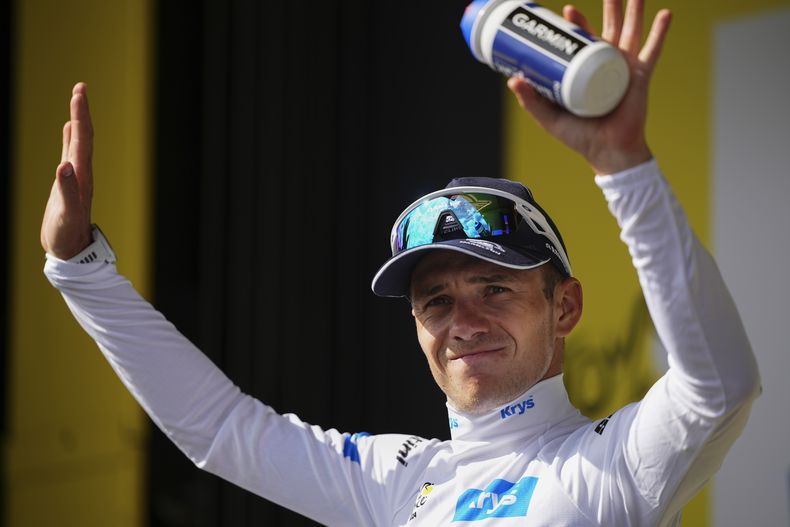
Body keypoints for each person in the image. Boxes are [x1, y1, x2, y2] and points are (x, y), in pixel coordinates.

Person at [41, 0, 760, 525]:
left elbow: (719, 386)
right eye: (437, 300)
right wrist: (81, 268)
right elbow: (223, 430)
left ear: (564, 306)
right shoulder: (401, 477)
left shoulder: (617, 461)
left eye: (493, 287)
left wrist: (624, 166)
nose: (464, 320)